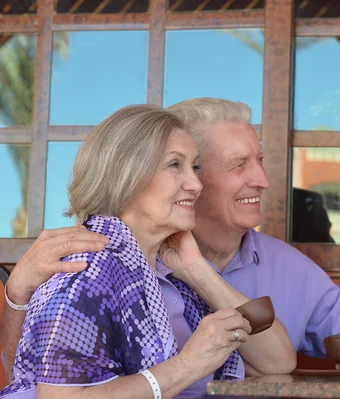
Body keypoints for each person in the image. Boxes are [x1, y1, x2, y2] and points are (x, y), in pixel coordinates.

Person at [2, 98, 340, 378]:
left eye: (260, 161)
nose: (263, 180)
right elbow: (40, 375)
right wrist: (18, 289)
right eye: (238, 165)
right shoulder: (109, 261)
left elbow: (282, 360)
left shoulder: (283, 266)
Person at [0, 104, 295, 398]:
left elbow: (278, 363)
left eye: (194, 167)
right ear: (126, 175)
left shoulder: (170, 273)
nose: (195, 184)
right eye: (174, 165)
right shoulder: (86, 272)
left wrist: (197, 270)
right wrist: (188, 364)